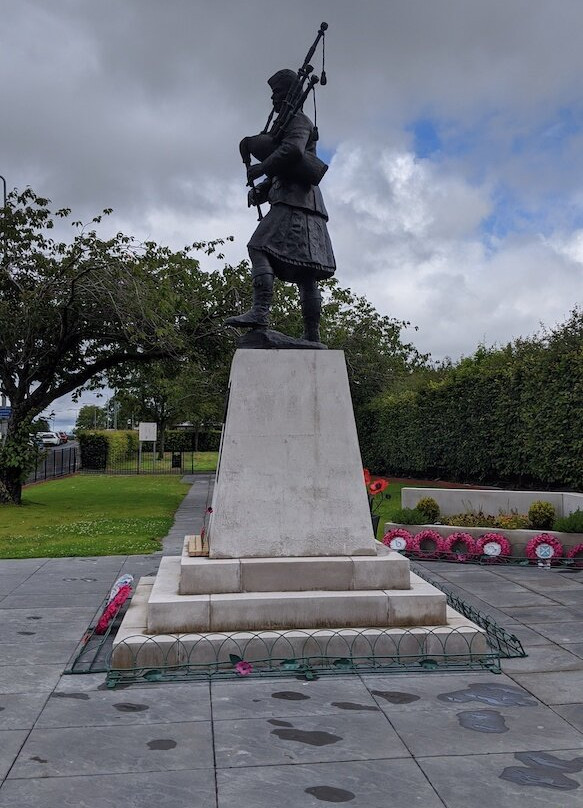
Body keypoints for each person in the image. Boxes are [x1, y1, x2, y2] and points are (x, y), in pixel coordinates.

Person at [225, 69, 335, 343]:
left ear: (289, 97)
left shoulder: (298, 121)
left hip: (295, 204)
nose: (274, 100)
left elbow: (293, 152)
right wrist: (263, 190)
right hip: (301, 204)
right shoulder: (286, 126)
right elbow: (285, 168)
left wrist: (261, 167)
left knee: (259, 247)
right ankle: (312, 335)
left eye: (278, 94)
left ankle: (260, 312)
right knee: (306, 274)